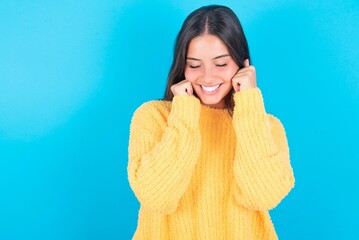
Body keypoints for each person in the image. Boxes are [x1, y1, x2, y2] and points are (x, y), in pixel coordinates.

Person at [128, 5, 295, 240]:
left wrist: (249, 103)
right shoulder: (154, 117)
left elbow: (263, 195)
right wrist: (184, 111)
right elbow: (157, 197)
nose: (207, 77)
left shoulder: (265, 126)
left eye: (221, 63)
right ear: (182, 66)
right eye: (195, 65)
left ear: (242, 64)